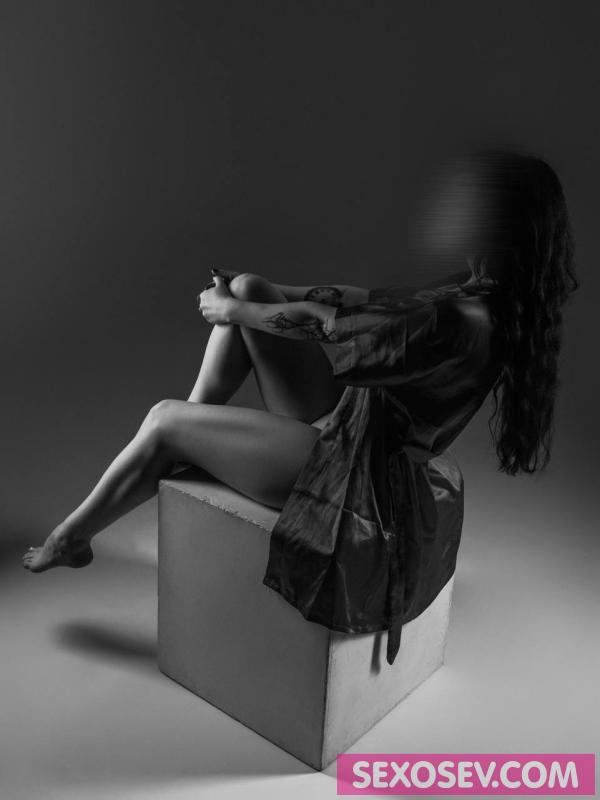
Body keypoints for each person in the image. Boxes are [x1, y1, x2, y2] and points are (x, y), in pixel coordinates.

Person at [22, 150, 578, 665]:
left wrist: (232, 312)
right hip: (351, 426)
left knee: (164, 416)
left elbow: (332, 328)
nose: (449, 209)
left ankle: (74, 537)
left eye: (464, 203)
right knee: (253, 287)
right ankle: (185, 439)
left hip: (352, 477)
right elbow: (364, 298)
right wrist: (261, 293)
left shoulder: (462, 319)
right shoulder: (477, 290)